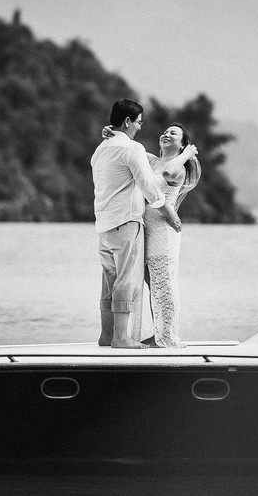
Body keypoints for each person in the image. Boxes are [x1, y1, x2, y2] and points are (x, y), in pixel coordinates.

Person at [100, 122, 201, 347]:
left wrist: (187, 154)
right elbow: (127, 147)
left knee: (163, 283)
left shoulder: (178, 166)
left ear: (182, 143)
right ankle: (159, 334)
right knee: (150, 283)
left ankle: (167, 337)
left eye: (173, 134)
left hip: (164, 231)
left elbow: (168, 173)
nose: (166, 134)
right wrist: (111, 133)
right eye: (165, 131)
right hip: (146, 230)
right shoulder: (153, 160)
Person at [91, 99, 181, 349]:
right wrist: (168, 211)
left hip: (104, 225)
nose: (140, 128)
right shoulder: (132, 149)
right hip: (126, 222)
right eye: (139, 123)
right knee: (126, 281)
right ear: (128, 121)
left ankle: (107, 335)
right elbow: (149, 187)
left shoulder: (100, 150)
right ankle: (120, 337)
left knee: (109, 280)